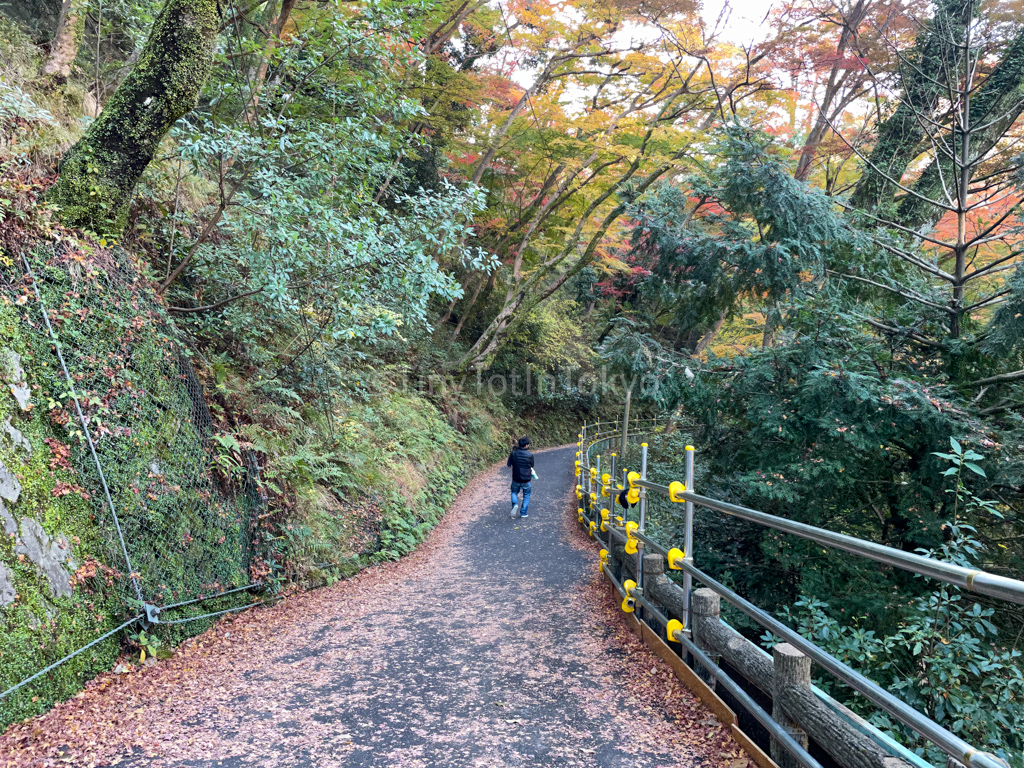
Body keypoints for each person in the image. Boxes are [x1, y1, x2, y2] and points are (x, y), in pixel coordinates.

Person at [507, 436, 535, 519]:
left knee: (514, 492)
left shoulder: (513, 453)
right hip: (526, 479)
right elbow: (532, 465)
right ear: (526, 445)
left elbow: (509, 465)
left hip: (516, 478)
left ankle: (515, 504)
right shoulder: (530, 455)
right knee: (526, 495)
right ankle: (523, 513)